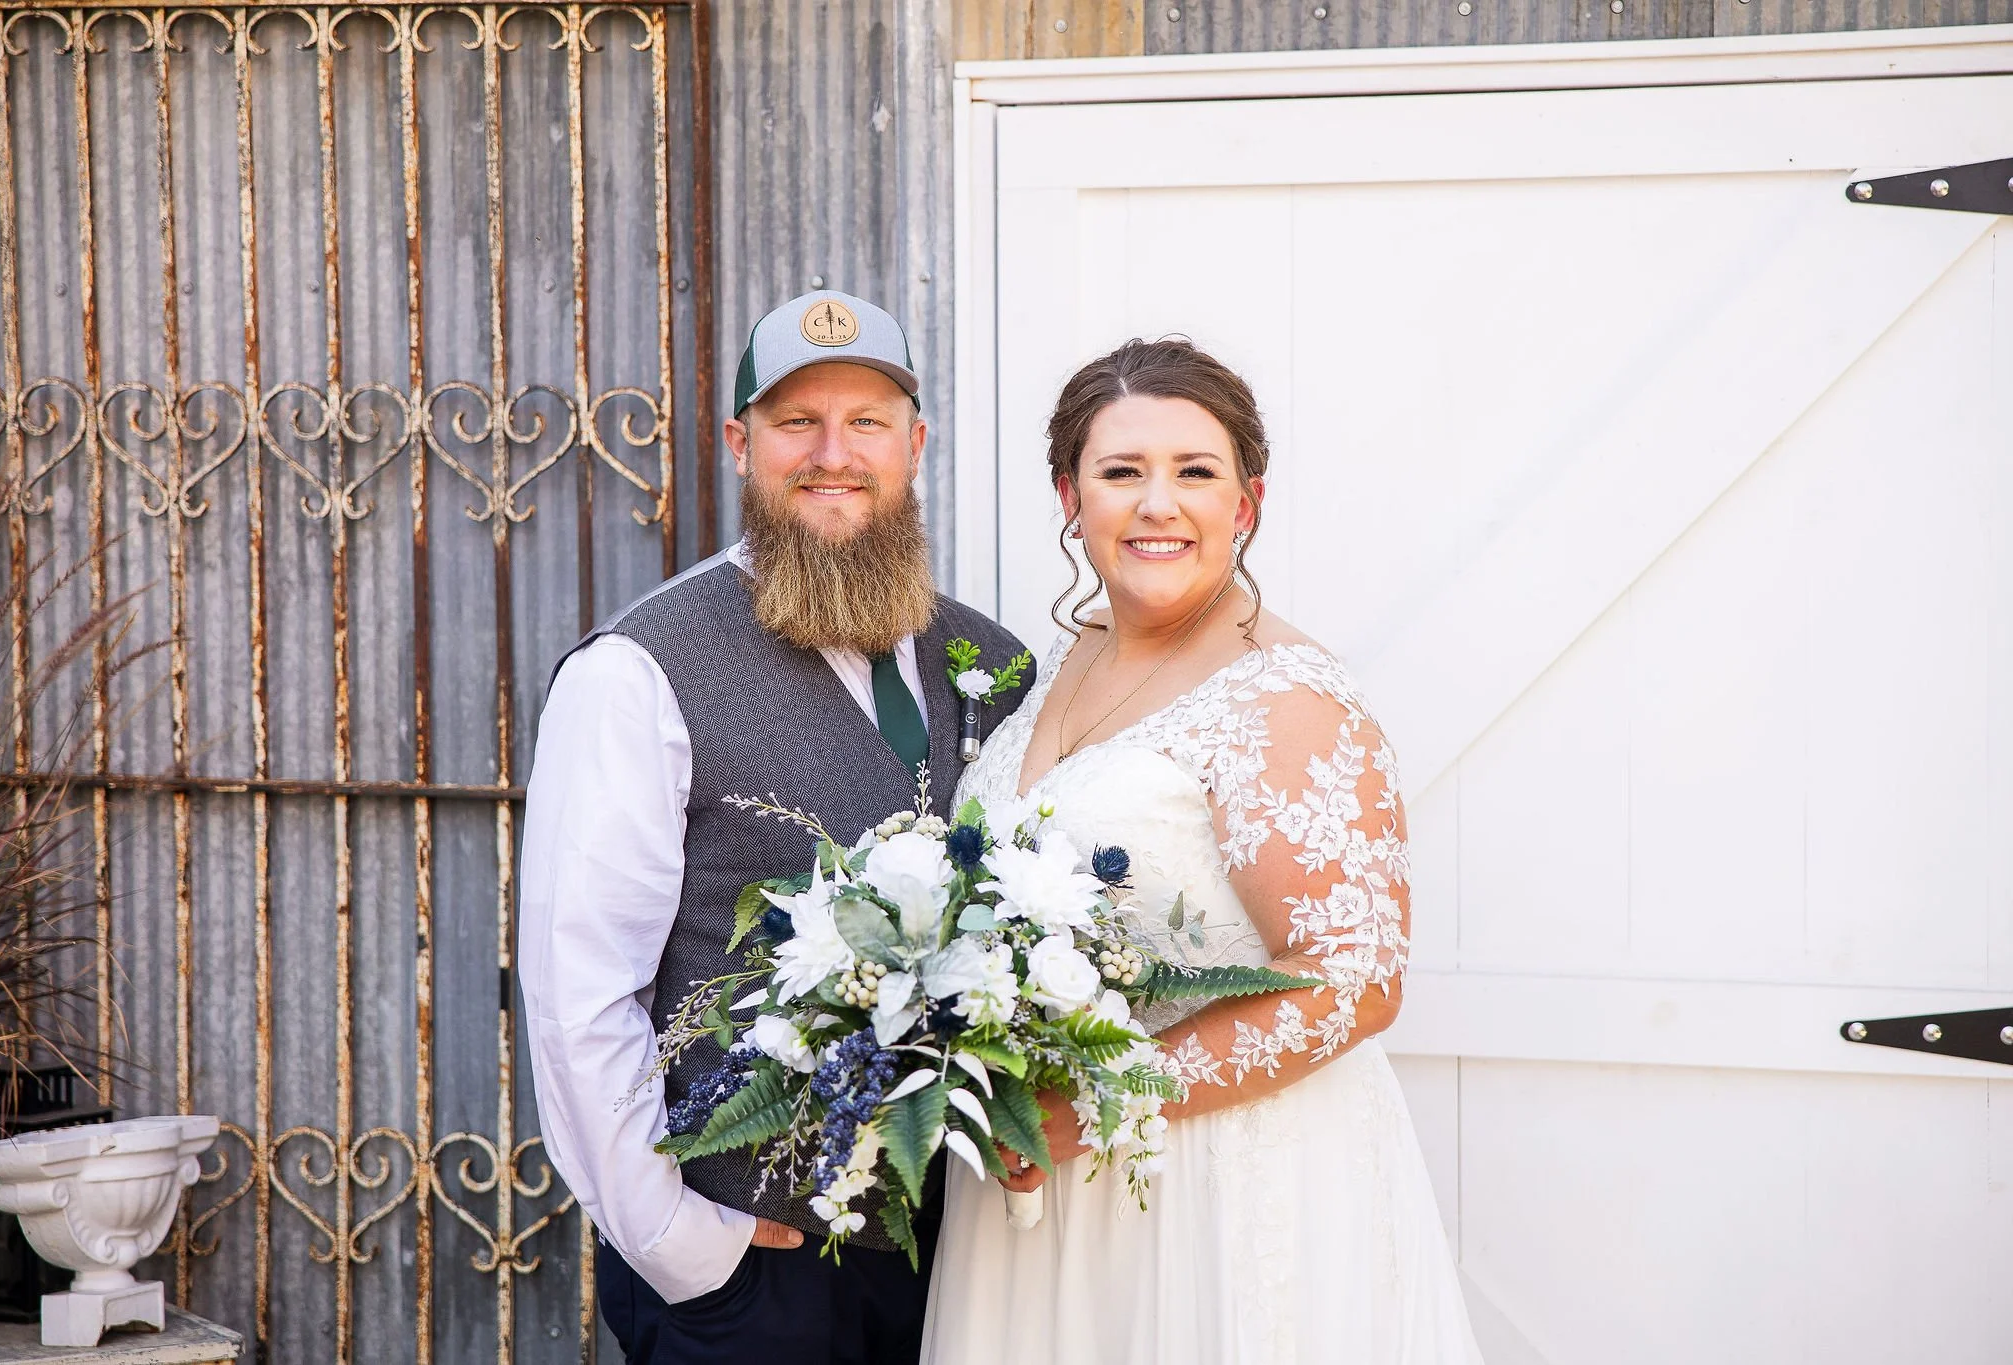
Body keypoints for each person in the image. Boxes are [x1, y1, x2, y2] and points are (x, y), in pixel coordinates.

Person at [921, 338, 1484, 1364]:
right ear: (1068, 495)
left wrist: (1093, 1103)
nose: (1156, 505)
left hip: (1217, 1181)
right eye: (1120, 472)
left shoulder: (1285, 697)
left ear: (1246, 502)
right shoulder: (1057, 662)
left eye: (1193, 472)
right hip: (1044, 1185)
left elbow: (1350, 981)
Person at [519, 290, 1034, 1365]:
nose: (832, 454)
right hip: (753, 1271)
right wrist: (681, 1246)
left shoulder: (990, 662)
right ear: (739, 442)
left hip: (966, 1261)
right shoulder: (637, 672)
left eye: (867, 422)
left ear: (915, 444)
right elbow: (579, 994)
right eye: (797, 421)